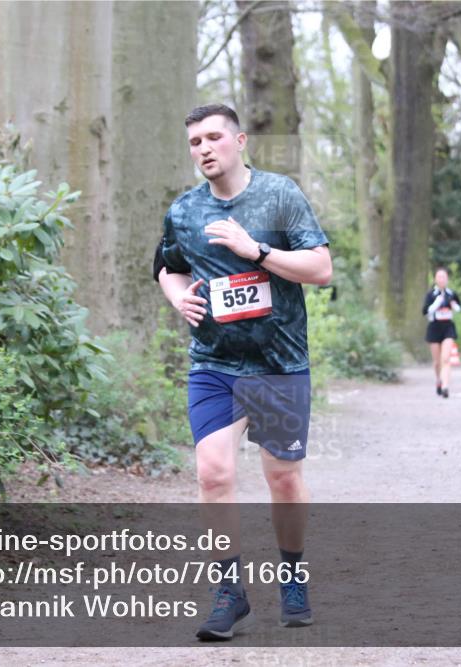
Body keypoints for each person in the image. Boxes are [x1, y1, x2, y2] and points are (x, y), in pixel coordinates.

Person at [153, 103, 332, 640]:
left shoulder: (279, 195)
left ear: (240, 140)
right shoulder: (184, 211)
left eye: (213, 138)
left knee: (282, 477)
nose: (203, 149)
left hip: (278, 364)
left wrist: (255, 250)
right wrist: (179, 300)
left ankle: (293, 574)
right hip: (214, 363)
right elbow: (167, 267)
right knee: (213, 472)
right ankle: (228, 593)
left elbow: (320, 269)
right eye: (194, 142)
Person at [422, 268, 461, 399]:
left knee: (446, 359)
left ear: (447, 279)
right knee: (437, 362)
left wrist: (453, 304)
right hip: (434, 327)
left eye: (444, 277)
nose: (441, 279)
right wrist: (437, 302)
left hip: (448, 328)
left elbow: (459, 308)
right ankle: (439, 380)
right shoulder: (431, 295)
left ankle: (445, 386)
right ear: (435, 279)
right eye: (439, 277)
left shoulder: (452, 293)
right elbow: (425, 311)